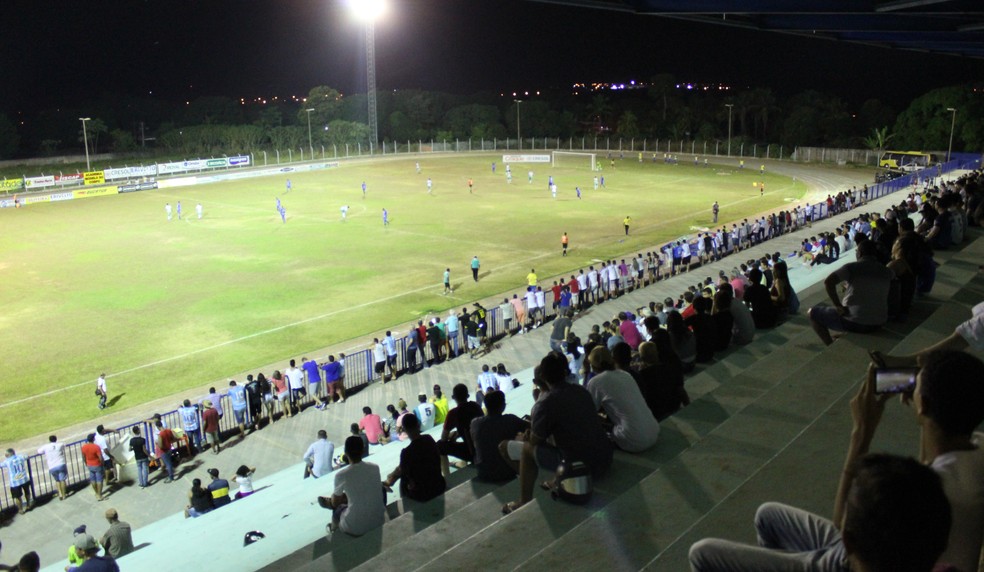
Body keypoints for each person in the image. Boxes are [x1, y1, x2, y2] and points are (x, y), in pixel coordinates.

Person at [690, 350, 984, 572]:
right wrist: (926, 415)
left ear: (925, 404)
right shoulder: (974, 453)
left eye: (917, 384)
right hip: (900, 550)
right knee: (768, 515)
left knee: (702, 553)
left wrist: (861, 432)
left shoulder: (928, 490)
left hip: (859, 561)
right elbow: (930, 464)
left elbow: (844, 529)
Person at [500, 352, 614, 514]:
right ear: (565, 371)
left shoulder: (545, 403)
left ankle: (524, 501)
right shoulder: (581, 391)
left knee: (526, 449)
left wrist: (528, 436)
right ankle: (555, 481)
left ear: (542, 377)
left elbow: (535, 441)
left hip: (582, 469)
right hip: (605, 459)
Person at [808, 239, 894, 346]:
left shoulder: (852, 267)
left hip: (855, 321)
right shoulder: (887, 271)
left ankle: (830, 345)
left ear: (860, 253)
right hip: (879, 322)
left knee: (813, 313)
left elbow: (828, 282)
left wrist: (838, 305)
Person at [586, 346, 660, 453]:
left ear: (593, 366)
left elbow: (589, 413)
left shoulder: (595, 382)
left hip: (633, 440)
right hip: (653, 431)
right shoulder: (626, 375)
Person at [320, 436, 385, 536]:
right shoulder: (375, 468)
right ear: (362, 450)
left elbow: (336, 502)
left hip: (355, 527)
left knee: (338, 508)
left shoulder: (341, 475)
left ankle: (333, 529)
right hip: (379, 521)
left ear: (345, 452)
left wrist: (334, 500)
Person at [382, 413, 446, 502]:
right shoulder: (429, 439)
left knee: (403, 476)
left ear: (404, 429)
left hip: (423, 494)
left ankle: (404, 502)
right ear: (418, 425)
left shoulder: (406, 452)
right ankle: (390, 481)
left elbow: (401, 470)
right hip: (440, 486)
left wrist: (391, 477)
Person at [471, 390, 527, 481]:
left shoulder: (475, 423)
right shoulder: (510, 420)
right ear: (503, 406)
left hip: (483, 472)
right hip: (506, 472)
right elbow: (535, 429)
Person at [436, 384, 484, 476]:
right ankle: (463, 462)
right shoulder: (476, 406)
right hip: (483, 447)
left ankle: (447, 476)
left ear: (453, 397)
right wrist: (457, 433)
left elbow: (443, 438)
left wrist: (452, 435)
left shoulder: (453, 413)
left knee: (440, 446)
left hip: (472, 452)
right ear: (468, 395)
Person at [1, 449, 32, 514]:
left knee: (17, 497)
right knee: (27, 492)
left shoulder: (7, 461)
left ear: (8, 454)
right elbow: (27, 456)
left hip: (15, 482)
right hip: (24, 479)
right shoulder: (20, 457)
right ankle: (28, 505)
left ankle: (20, 509)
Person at [38, 435, 68, 500]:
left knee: (57, 480)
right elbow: (65, 445)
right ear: (56, 439)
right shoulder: (60, 444)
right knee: (62, 480)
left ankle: (60, 494)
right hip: (61, 464)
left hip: (52, 466)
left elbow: (39, 451)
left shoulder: (46, 446)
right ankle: (64, 495)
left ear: (49, 440)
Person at [80, 434, 106, 501]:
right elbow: (100, 457)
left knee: (93, 480)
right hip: (97, 464)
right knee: (99, 480)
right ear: (93, 439)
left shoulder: (84, 447)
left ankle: (96, 493)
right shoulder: (96, 447)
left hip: (89, 465)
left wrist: (86, 463)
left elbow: (83, 457)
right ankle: (99, 495)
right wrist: (103, 464)